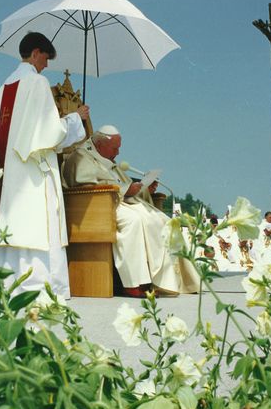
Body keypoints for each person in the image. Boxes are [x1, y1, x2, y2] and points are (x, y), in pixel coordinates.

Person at [0, 32, 89, 298]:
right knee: (39, 223)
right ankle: (42, 288)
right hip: (32, 171)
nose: (46, 65)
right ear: (34, 53)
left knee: (12, 224)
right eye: (45, 58)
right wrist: (76, 118)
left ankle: (7, 284)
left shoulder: (1, 89)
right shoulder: (37, 82)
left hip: (6, 172)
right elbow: (50, 134)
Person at [61, 125, 200, 297]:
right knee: (133, 220)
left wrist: (143, 190)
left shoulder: (106, 158)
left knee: (163, 220)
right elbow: (85, 185)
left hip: (118, 202)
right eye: (115, 148)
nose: (118, 153)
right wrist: (125, 190)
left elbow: (123, 184)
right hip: (97, 206)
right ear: (99, 144)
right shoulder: (81, 157)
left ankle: (168, 280)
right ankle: (134, 283)